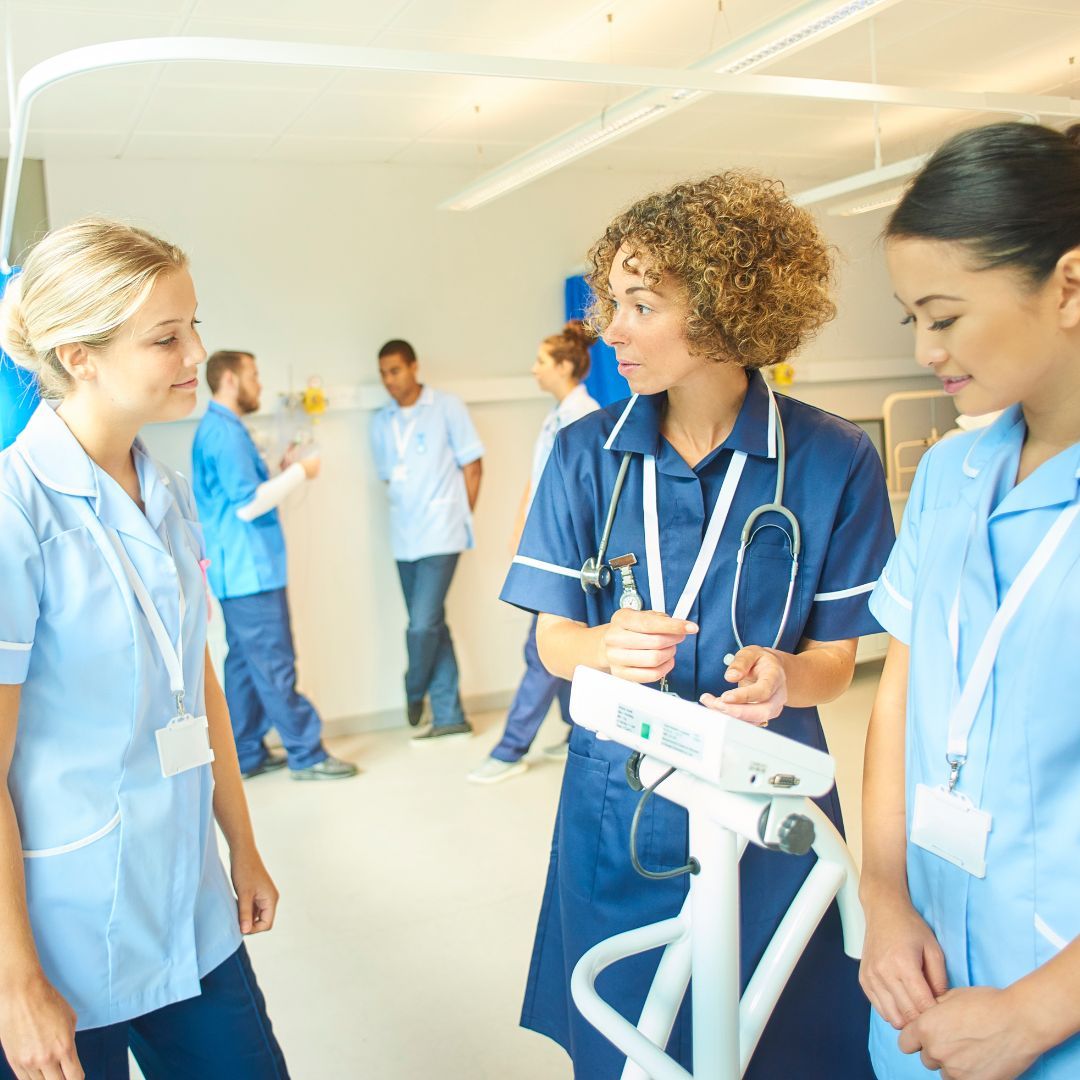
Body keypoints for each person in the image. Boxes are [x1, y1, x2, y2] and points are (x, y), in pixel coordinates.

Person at [500, 172, 895, 1077]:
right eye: (612, 303)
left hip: (769, 800)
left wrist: (789, 676)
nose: (614, 330)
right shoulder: (582, 454)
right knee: (627, 1043)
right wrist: (600, 647)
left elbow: (838, 656)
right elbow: (551, 642)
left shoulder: (833, 458)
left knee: (782, 1042)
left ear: (724, 310)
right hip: (623, 798)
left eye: (642, 305)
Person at [0, 219, 289, 1079]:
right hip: (61, 936)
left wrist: (241, 842)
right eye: (166, 336)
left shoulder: (159, 489)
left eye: (193, 324)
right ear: (78, 355)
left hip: (188, 908)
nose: (196, 351)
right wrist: (15, 981)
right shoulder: (18, 516)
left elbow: (191, 675)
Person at [860, 121, 1080, 1080]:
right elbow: (897, 698)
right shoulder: (950, 474)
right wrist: (883, 898)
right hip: (924, 981)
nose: (923, 349)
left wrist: (1037, 1012)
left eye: (944, 316)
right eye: (911, 316)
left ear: (1070, 286)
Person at [191, 350, 356, 781]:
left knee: (246, 665)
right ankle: (308, 753)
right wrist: (301, 471)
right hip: (250, 573)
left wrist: (280, 471)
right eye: (253, 375)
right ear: (229, 379)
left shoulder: (224, 429)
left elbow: (246, 494)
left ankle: (245, 752)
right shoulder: (224, 434)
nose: (259, 384)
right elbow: (248, 505)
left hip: (240, 572)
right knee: (274, 663)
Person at [469, 321, 599, 784]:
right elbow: (539, 481)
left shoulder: (584, 416)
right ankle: (575, 730)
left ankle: (509, 749)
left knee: (542, 650)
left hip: (571, 557)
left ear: (564, 366)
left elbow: (583, 497)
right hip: (549, 549)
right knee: (559, 646)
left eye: (541, 361)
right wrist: (522, 530)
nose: (533, 369)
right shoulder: (557, 416)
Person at [371, 339, 484, 741]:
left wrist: (460, 514)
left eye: (395, 370)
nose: (389, 380)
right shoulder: (380, 421)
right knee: (432, 623)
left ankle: (413, 685)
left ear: (414, 367)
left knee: (421, 625)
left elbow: (473, 465)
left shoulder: (446, 407)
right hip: (404, 536)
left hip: (442, 533)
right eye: (383, 373)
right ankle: (450, 715)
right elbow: (391, 476)